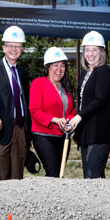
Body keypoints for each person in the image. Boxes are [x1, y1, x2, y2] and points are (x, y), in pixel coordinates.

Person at [0, 26, 31, 180]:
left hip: (20, 128)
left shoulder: (23, 73)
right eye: (10, 45)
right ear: (3, 48)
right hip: (2, 129)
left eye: (18, 46)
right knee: (1, 175)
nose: (14, 49)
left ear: (22, 49)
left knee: (18, 176)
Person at [68, 31, 110, 179]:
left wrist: (78, 117)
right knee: (90, 176)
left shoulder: (104, 72)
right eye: (87, 50)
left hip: (99, 132)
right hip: (87, 132)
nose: (90, 54)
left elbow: (99, 100)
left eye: (95, 50)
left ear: (102, 52)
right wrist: (78, 128)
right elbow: (83, 102)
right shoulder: (85, 73)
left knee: (92, 176)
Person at [29, 47, 76, 177]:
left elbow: (70, 110)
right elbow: (34, 111)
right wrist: (54, 119)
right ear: (47, 67)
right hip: (44, 136)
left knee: (59, 174)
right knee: (53, 172)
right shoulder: (38, 83)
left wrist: (70, 122)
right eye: (55, 65)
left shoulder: (65, 86)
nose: (59, 69)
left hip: (62, 137)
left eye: (62, 65)